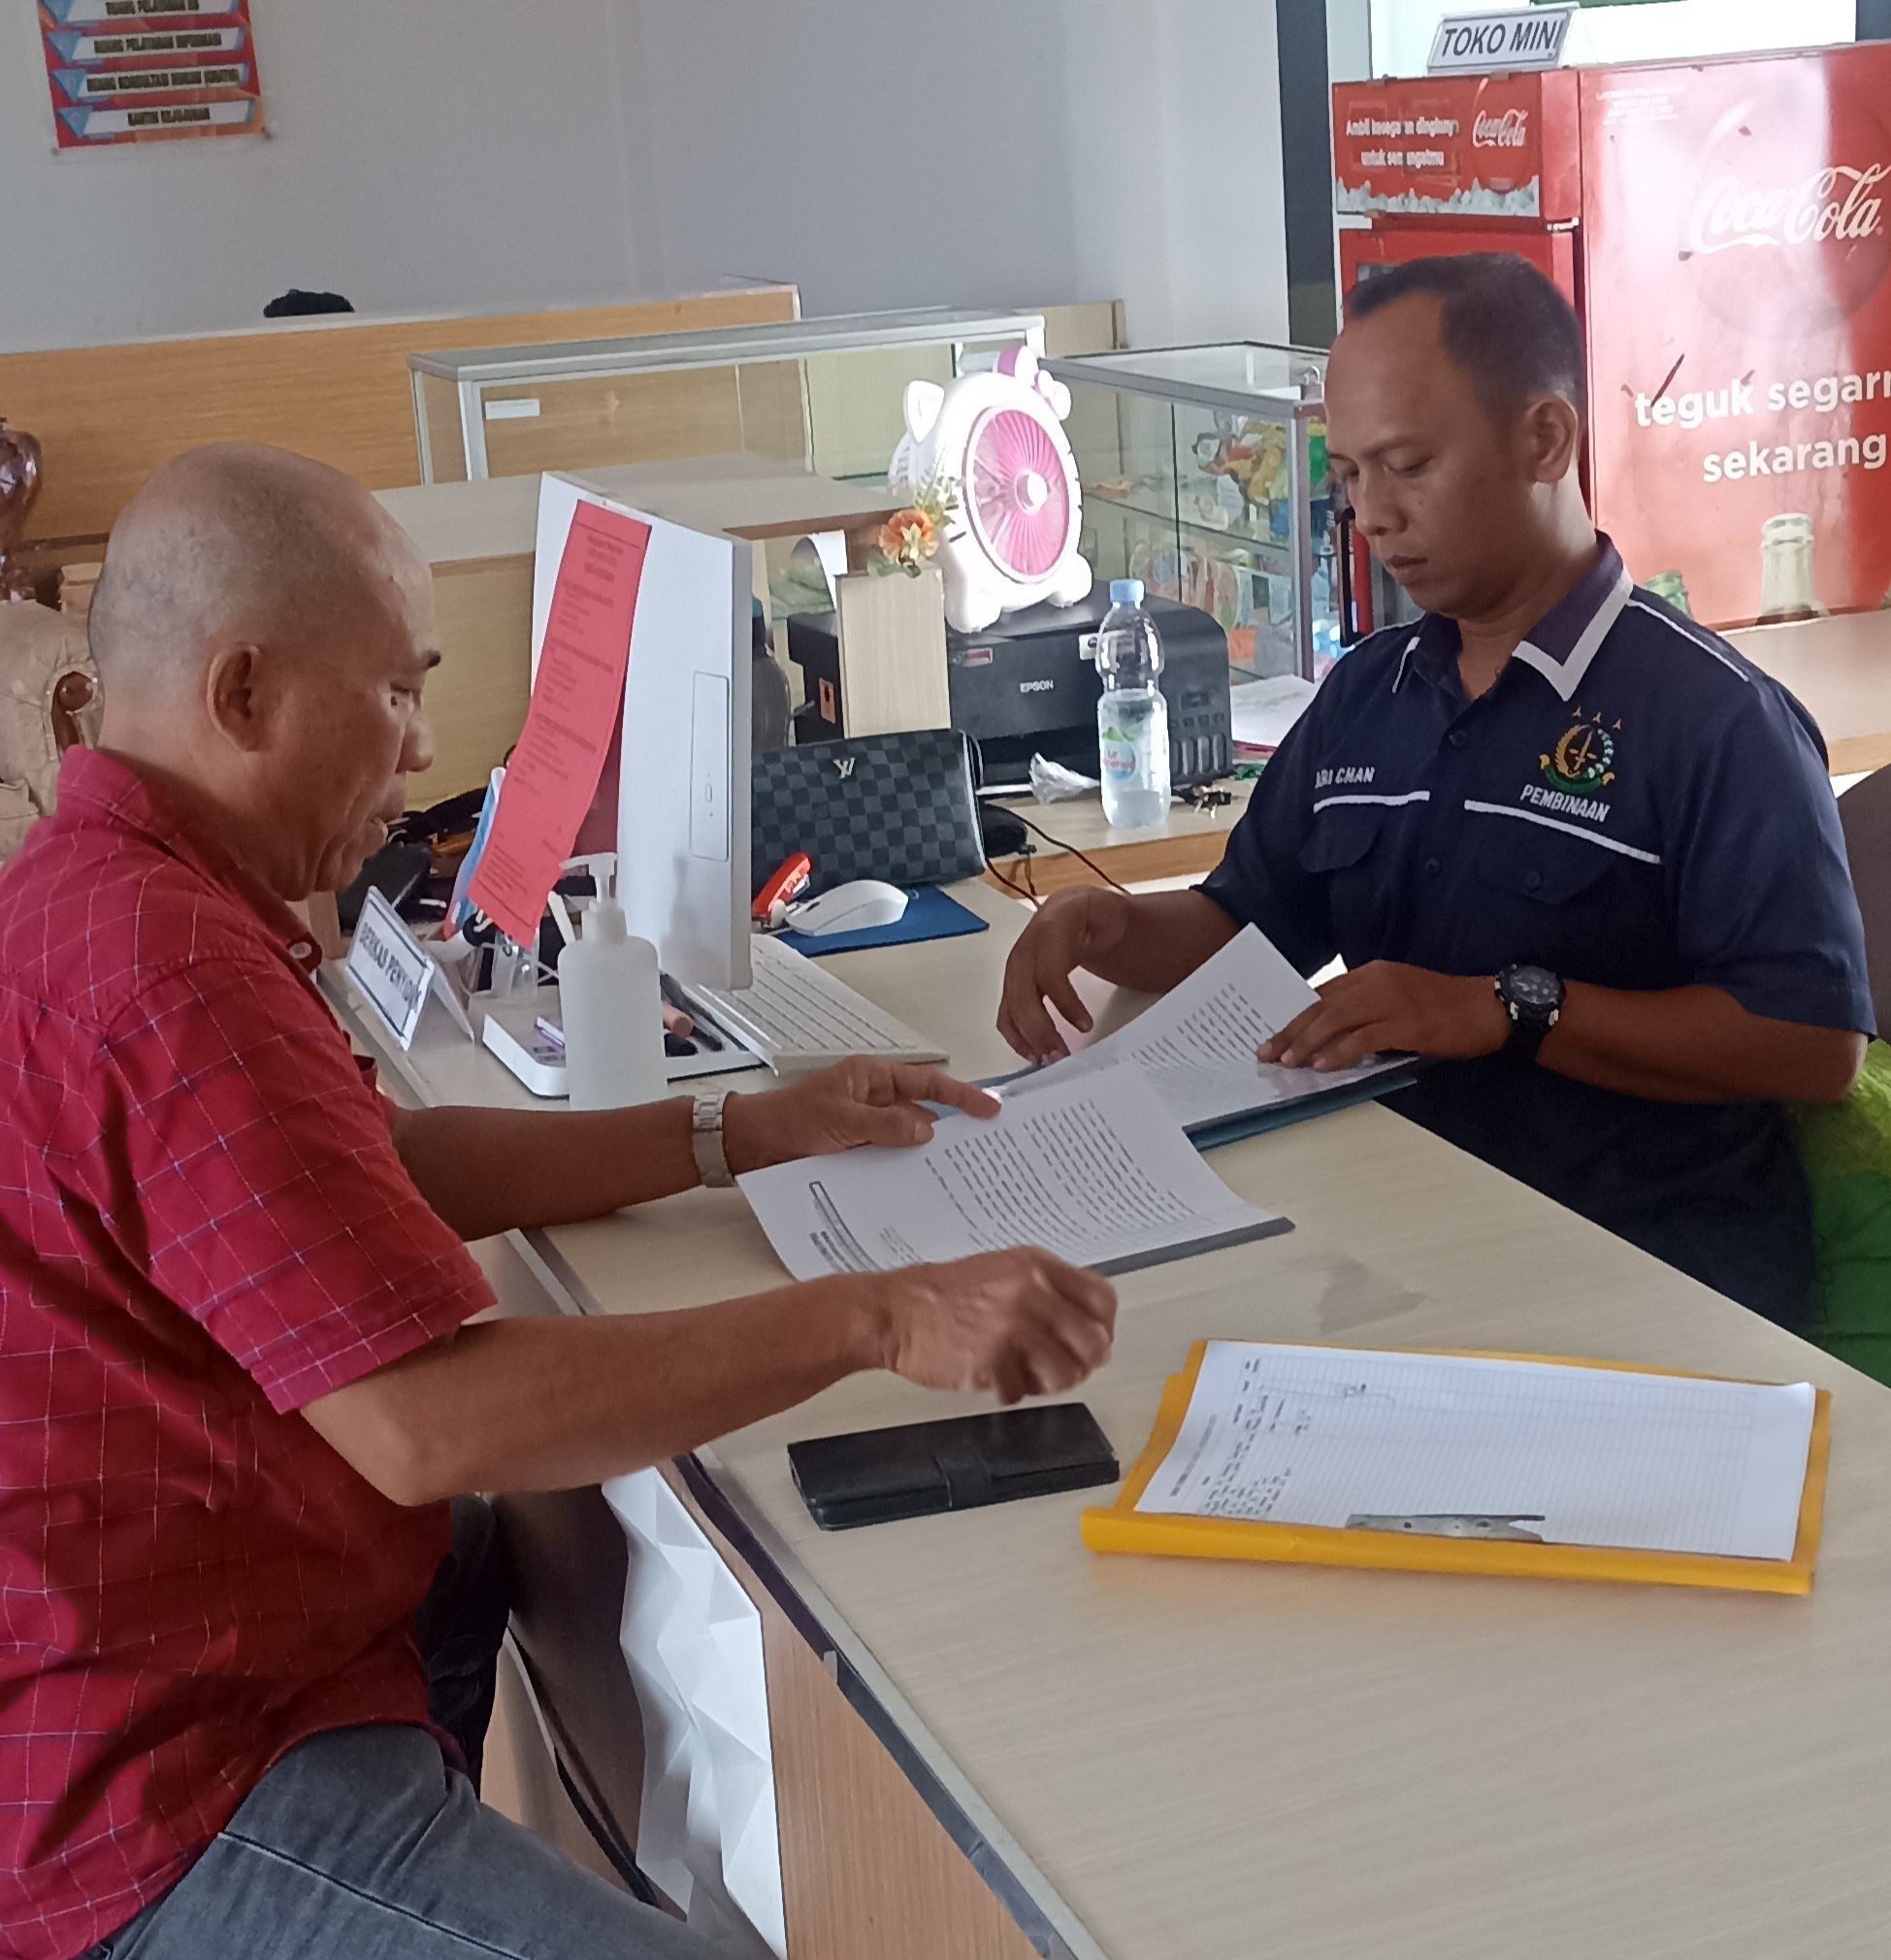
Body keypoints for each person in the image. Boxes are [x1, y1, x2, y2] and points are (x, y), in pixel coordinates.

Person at [0, 443, 1118, 1960]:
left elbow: (377, 1162)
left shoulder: (103, 888)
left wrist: (735, 1129)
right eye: (394, 693)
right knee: (496, 1518)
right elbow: (428, 1425)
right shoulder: (167, 968)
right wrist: (879, 1317)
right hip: (157, 1791)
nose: (417, 750)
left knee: (482, 1561)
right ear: (244, 692)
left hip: (198, 1648)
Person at [1000, 252, 1873, 1327]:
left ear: (1543, 440)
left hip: (1645, 1275)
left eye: (1407, 465)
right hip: (1402, 1227)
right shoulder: (1372, 690)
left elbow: (1809, 1044)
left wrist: (1507, 1007)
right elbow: (1245, 922)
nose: (1371, 514)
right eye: (1348, 475)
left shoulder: (1715, 719)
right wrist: (1104, 925)